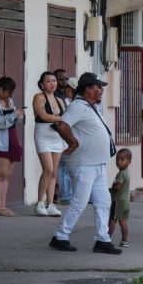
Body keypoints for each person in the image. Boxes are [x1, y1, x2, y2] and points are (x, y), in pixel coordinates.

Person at [48, 72, 122, 254]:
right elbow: (62, 125)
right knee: (79, 202)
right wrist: (73, 143)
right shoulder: (78, 106)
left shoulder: (90, 106)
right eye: (98, 87)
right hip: (83, 164)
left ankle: (102, 239)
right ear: (88, 89)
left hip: (97, 164)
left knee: (103, 202)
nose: (101, 90)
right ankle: (60, 236)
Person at [0, 77, 24, 216]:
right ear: (1, 89)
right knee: (0, 175)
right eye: (7, 91)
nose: (9, 95)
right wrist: (12, 115)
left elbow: (15, 118)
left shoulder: (9, 101)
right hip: (1, 140)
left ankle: (3, 205)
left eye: (11, 92)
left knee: (7, 175)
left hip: (12, 138)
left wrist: (19, 114)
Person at [32, 71, 67, 217]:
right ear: (42, 84)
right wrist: (59, 118)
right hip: (43, 134)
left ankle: (50, 204)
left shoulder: (59, 99)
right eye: (48, 81)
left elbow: (65, 117)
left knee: (54, 172)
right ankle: (40, 202)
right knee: (47, 169)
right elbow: (43, 116)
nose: (52, 83)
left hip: (56, 136)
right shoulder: (38, 97)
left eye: (54, 80)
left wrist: (60, 119)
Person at [55, 77, 78, 206]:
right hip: (65, 139)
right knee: (64, 167)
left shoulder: (71, 102)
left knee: (64, 167)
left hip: (68, 139)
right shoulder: (67, 101)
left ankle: (67, 195)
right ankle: (66, 196)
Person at [108, 148, 132, 248]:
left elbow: (118, 187)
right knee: (123, 221)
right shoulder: (126, 172)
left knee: (112, 220)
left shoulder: (121, 174)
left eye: (122, 160)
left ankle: (106, 239)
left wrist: (110, 189)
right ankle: (124, 241)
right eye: (117, 159)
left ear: (129, 162)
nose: (119, 162)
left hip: (118, 201)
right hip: (126, 201)